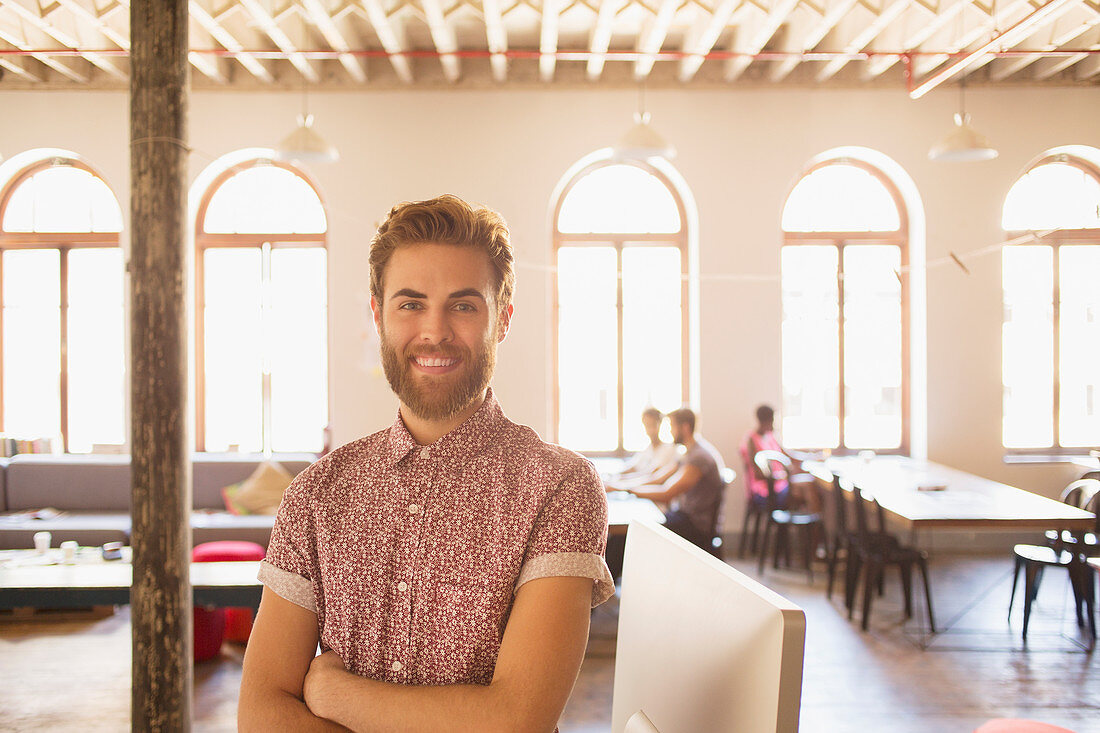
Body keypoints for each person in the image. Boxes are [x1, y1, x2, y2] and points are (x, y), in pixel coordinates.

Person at [239, 194, 614, 732]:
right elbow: (261, 713)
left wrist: (334, 692)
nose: (434, 331)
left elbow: (515, 720)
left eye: (463, 305)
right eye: (410, 304)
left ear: (502, 319)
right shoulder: (318, 493)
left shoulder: (558, 487)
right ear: (378, 315)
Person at [625, 408, 728, 552]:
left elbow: (667, 494)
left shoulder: (699, 457)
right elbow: (658, 479)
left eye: (672, 426)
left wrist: (628, 490)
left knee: (632, 532)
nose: (670, 432)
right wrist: (623, 486)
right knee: (631, 529)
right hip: (683, 517)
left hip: (695, 525)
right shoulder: (687, 452)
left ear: (685, 427)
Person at [741, 404, 816, 511]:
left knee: (808, 484)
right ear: (768, 420)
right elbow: (759, 474)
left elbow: (790, 456)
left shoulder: (771, 436)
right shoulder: (751, 440)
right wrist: (785, 475)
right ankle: (813, 525)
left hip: (778, 484)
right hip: (765, 490)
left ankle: (805, 524)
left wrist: (812, 457)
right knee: (807, 487)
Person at [609, 407, 681, 488]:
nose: (650, 430)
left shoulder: (669, 449)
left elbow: (652, 474)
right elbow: (633, 467)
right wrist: (613, 476)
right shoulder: (647, 449)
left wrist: (622, 482)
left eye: (652, 425)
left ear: (659, 424)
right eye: (647, 425)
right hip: (639, 488)